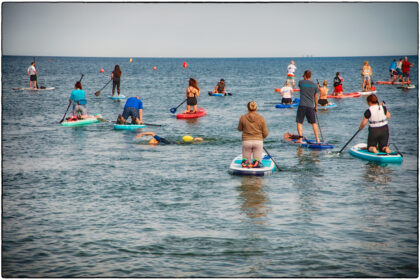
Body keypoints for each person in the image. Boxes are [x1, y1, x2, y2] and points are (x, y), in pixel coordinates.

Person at [237, 101, 269, 168]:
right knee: (257, 161)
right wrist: (261, 138)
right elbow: (266, 133)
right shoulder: (261, 118)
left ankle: (245, 163)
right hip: (258, 142)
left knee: (246, 162)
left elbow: (239, 129)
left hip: (246, 141)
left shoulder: (243, 117)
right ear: (256, 108)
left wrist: (241, 122)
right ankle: (256, 163)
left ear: (247, 108)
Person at [296, 70, 320, 143]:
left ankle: (300, 138)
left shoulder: (301, 82)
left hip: (302, 105)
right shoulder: (315, 85)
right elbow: (316, 96)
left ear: (305, 76)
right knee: (314, 123)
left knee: (299, 122)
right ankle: (317, 139)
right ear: (310, 76)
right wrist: (316, 106)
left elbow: (302, 84)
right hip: (310, 106)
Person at [134, 132, 203, 145]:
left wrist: (142, 134)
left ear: (156, 141)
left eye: (151, 141)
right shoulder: (159, 142)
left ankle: (195, 139)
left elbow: (152, 133)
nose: (150, 141)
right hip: (174, 143)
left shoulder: (161, 140)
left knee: (190, 143)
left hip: (176, 144)